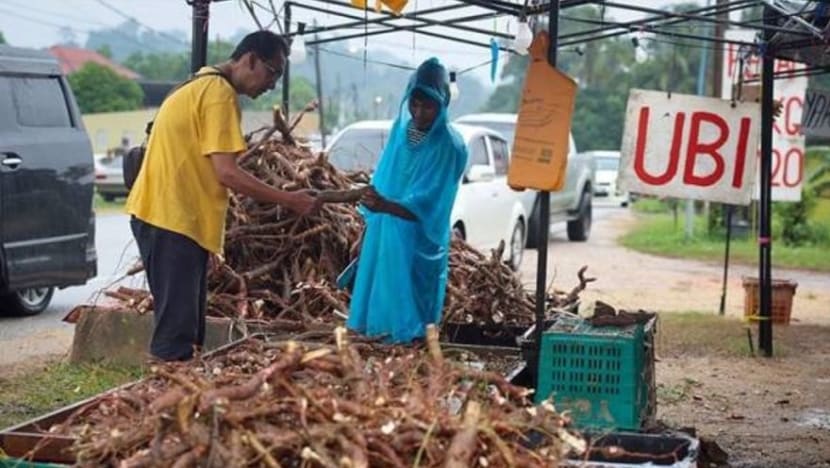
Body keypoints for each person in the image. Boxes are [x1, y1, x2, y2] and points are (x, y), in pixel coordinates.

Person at [125, 30, 317, 361]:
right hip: (172, 221)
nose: (272, 84)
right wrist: (290, 200)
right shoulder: (219, 95)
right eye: (273, 72)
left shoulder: (199, 84)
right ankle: (165, 403)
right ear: (250, 59)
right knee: (176, 338)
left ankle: (180, 399)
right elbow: (226, 172)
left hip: (172, 221)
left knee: (188, 331)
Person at [346, 58, 468, 344]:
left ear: (443, 104)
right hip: (386, 232)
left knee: (414, 314)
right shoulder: (402, 132)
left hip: (420, 241)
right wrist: (375, 205)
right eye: (415, 104)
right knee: (379, 303)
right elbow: (386, 176)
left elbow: (432, 202)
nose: (419, 112)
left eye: (428, 106)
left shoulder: (450, 145)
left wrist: (388, 206)